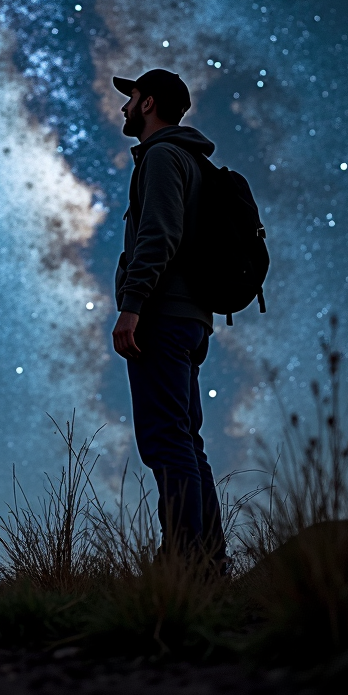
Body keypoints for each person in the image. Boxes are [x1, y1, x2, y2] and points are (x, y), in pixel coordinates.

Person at [111, 68, 226, 563]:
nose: (124, 107)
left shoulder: (161, 157)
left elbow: (159, 236)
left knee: (164, 441)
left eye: (131, 97)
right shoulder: (194, 161)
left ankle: (183, 563)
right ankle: (209, 563)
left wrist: (131, 308)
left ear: (150, 102)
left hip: (161, 316)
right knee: (185, 441)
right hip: (193, 319)